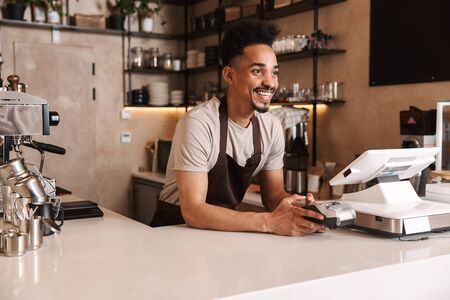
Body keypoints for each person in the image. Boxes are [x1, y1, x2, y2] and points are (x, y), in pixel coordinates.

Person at [151, 19, 326, 236]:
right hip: (173, 231)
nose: (270, 83)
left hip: (223, 231)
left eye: (274, 72)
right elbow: (193, 211)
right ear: (229, 75)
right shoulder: (199, 123)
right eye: (257, 71)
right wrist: (269, 222)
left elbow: (273, 196)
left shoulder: (271, 127)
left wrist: (301, 210)